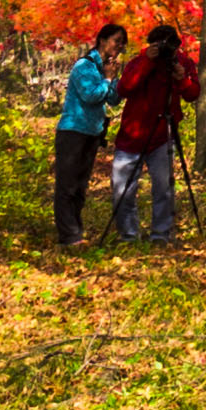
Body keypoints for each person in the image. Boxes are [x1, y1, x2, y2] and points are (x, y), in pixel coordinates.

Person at [108, 20, 200, 244]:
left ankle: (161, 235)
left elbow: (193, 94)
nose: (167, 51)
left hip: (162, 134)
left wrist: (183, 79)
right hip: (132, 134)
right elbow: (124, 88)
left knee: (163, 189)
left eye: (171, 47)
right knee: (122, 190)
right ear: (151, 45)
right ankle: (128, 235)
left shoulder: (183, 63)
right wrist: (147, 61)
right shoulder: (139, 61)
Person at [50, 24, 123, 248]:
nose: (119, 47)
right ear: (102, 40)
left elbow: (112, 100)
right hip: (73, 131)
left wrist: (113, 79)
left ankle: (75, 233)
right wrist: (108, 80)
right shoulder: (84, 66)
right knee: (67, 185)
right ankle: (69, 237)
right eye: (116, 41)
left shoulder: (105, 69)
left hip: (92, 133)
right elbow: (91, 95)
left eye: (122, 44)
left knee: (80, 187)